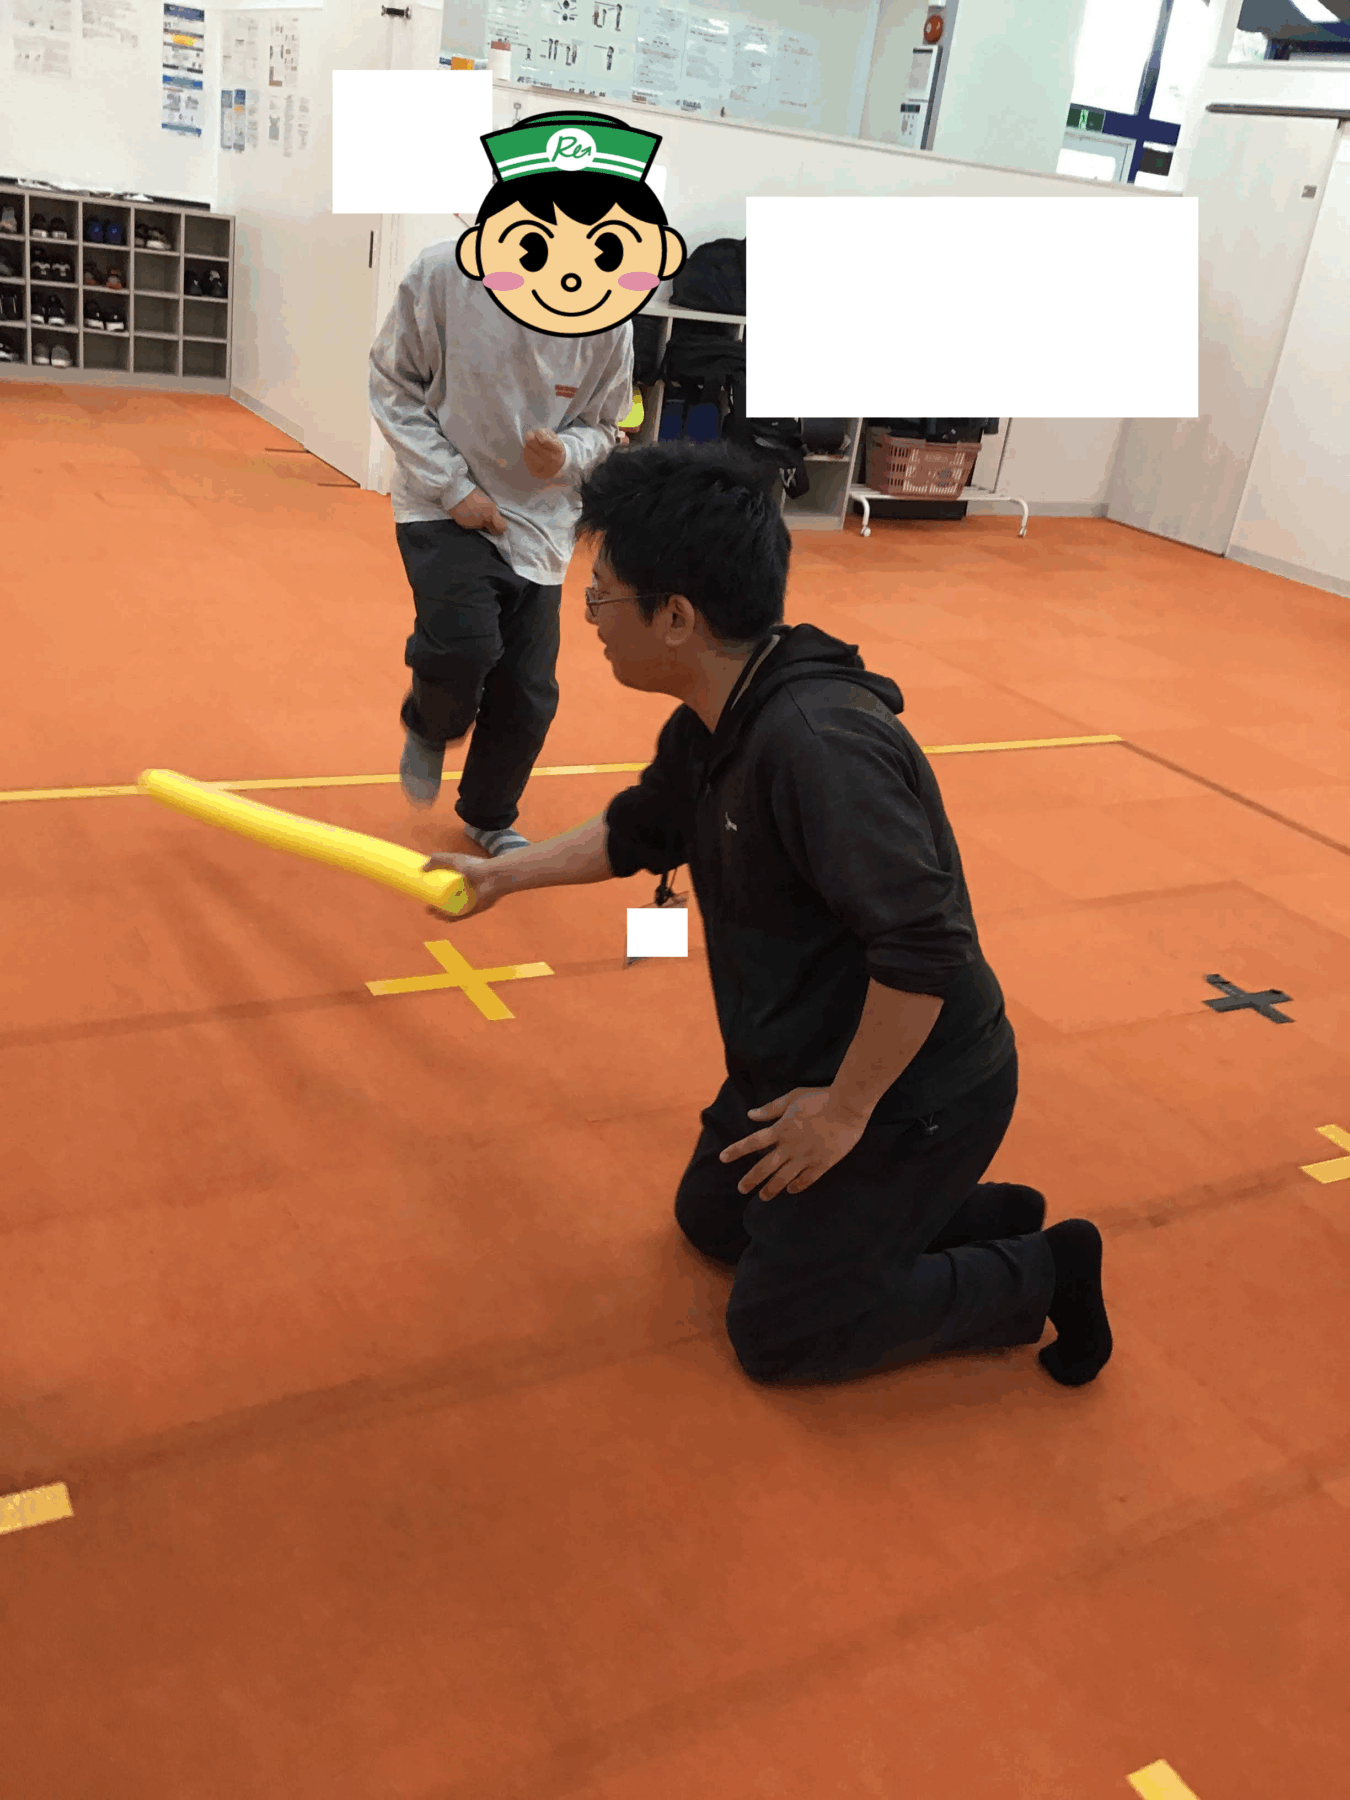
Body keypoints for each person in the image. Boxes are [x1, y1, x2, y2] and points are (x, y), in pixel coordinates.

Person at [422, 439, 1114, 1391]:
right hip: (794, 1059)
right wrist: (504, 875)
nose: (591, 620)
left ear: (676, 617)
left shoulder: (820, 747)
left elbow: (925, 951)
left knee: (782, 1333)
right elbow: (638, 829)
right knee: (713, 1222)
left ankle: (1042, 1269)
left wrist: (845, 1113)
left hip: (915, 1087)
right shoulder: (715, 717)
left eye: (601, 598)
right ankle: (959, 1215)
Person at [368, 234, 634, 855]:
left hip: (543, 519)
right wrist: (453, 487)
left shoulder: (612, 311)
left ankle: (488, 814)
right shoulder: (445, 273)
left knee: (529, 691)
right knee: (464, 647)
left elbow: (606, 426)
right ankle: (430, 722)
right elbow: (394, 385)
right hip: (442, 501)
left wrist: (567, 454)